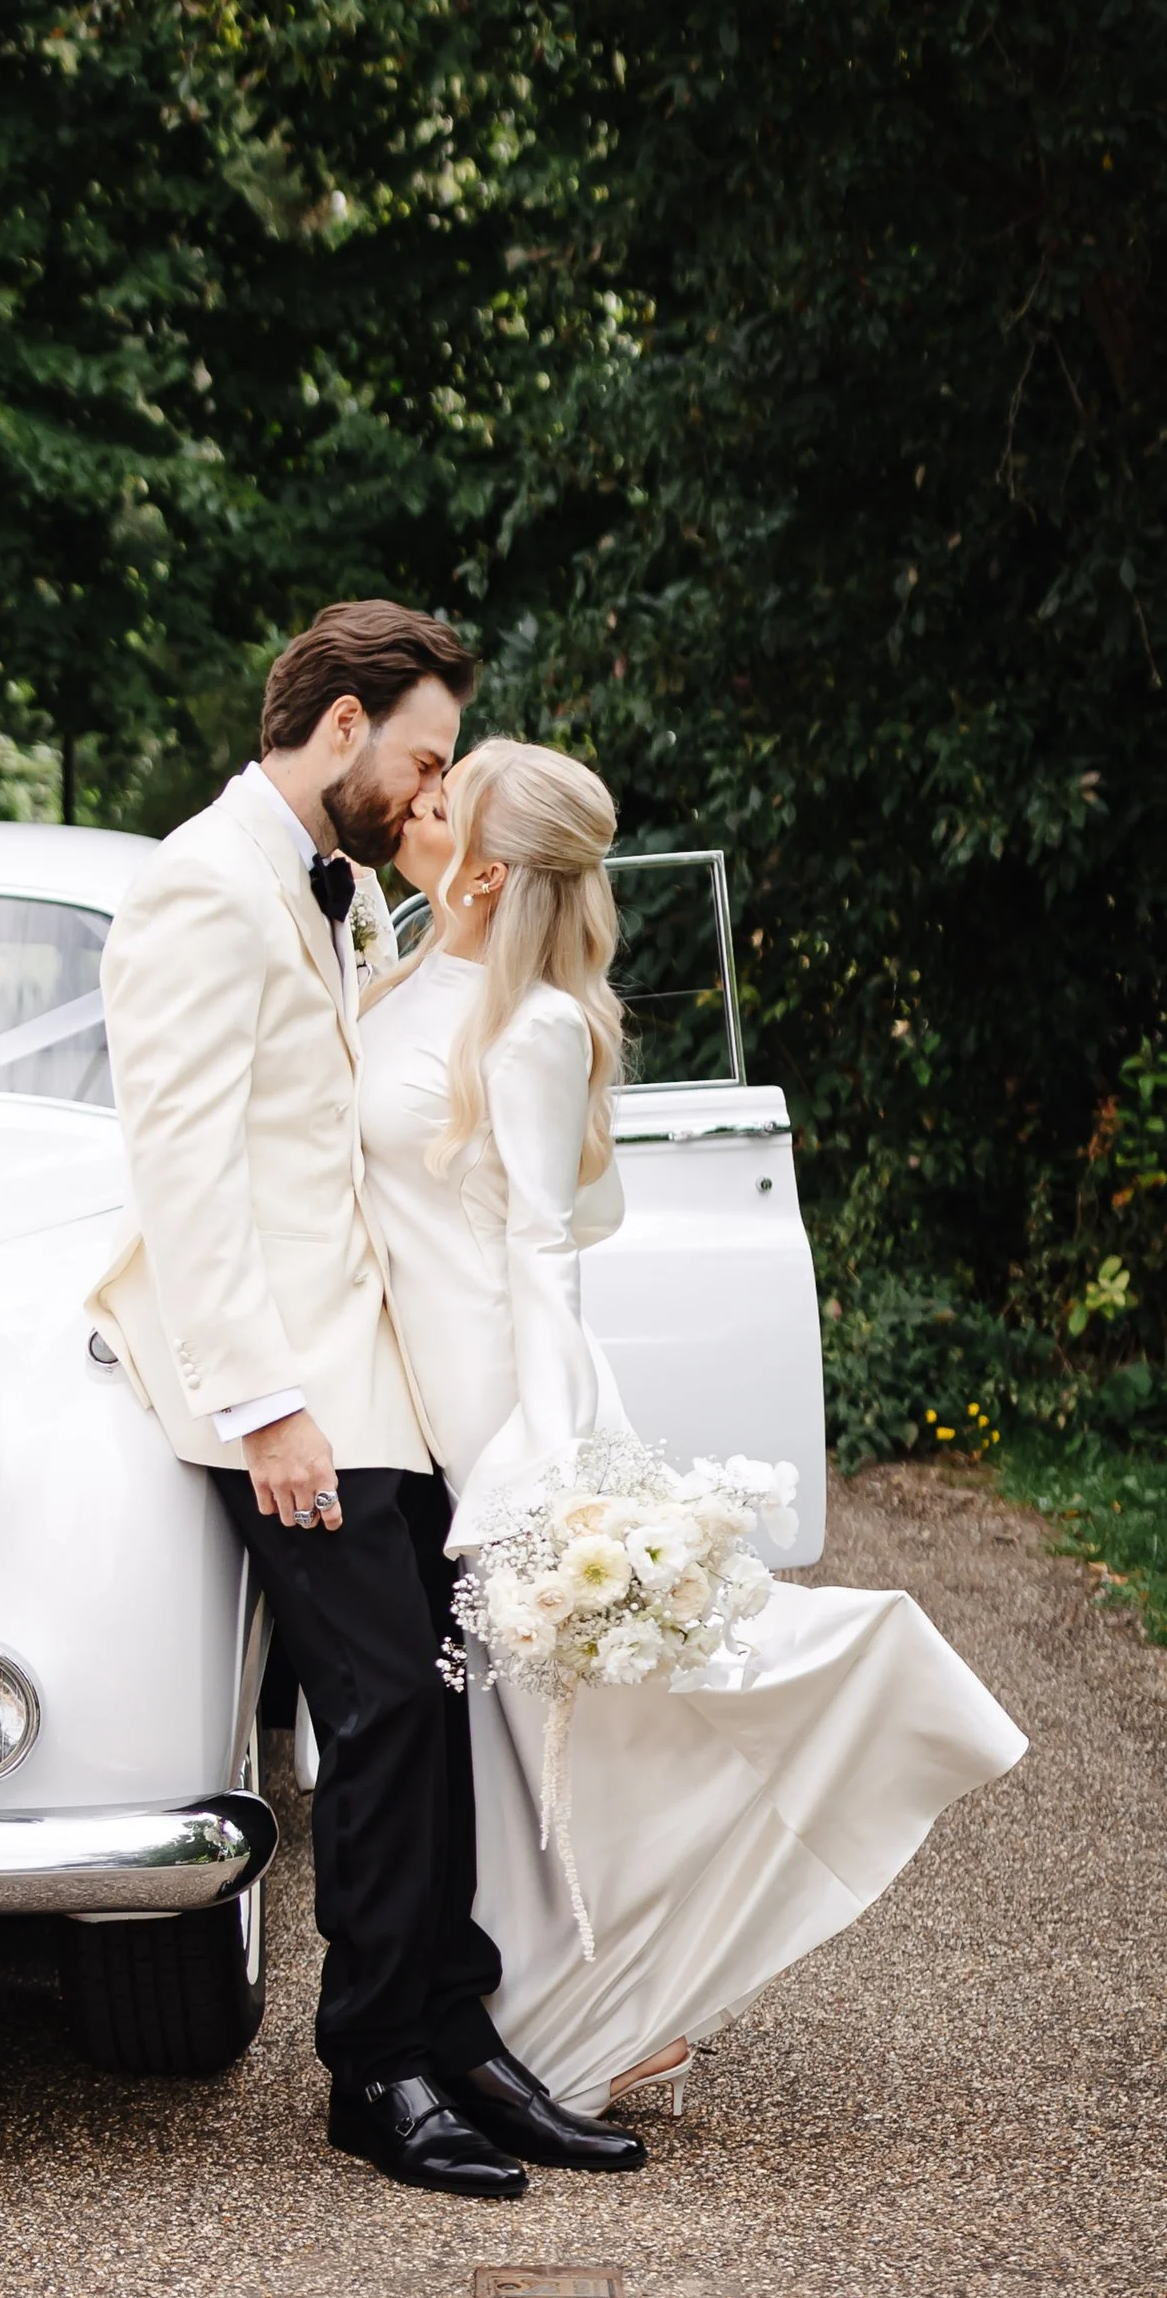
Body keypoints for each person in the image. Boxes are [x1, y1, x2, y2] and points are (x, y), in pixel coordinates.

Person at [360, 738, 1027, 2112]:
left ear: (488, 866)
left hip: (500, 1397)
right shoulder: (393, 968)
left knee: (562, 1725)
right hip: (408, 1386)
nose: (414, 800)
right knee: (499, 1730)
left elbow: (543, 1248)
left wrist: (548, 1458)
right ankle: (545, 2007)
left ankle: (600, 2008)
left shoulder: (532, 1023)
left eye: (444, 798)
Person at [89, 604, 647, 2196]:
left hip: (373, 1377)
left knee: (435, 1701)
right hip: (284, 1393)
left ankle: (456, 2030)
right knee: (386, 1703)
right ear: (341, 726)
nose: (429, 788)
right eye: (419, 752)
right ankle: (375, 2065)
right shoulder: (204, 882)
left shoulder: (331, 894)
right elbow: (184, 1170)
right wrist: (265, 1403)